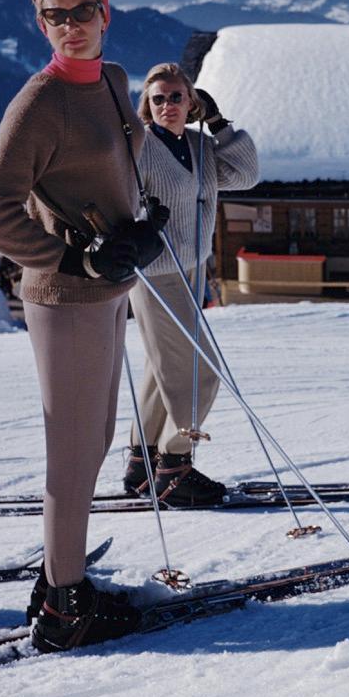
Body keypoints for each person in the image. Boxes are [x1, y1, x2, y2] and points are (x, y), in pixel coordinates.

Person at [0, 0, 167, 652]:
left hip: (109, 287)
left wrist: (136, 225)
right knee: (73, 445)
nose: (68, 27)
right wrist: (70, 256)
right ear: (39, 20)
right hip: (64, 295)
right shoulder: (38, 101)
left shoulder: (115, 83)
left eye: (80, 11)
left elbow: (115, 168)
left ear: (105, 12)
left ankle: (63, 574)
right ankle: (65, 607)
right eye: (53, 15)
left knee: (95, 437)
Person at [124, 62, 258, 506]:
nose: (167, 106)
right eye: (158, 98)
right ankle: (174, 467)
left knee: (162, 371)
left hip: (190, 271)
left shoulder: (200, 146)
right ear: (146, 104)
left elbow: (245, 175)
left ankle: (143, 465)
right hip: (156, 272)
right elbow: (113, 195)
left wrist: (220, 126)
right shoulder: (138, 148)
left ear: (191, 100)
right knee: (201, 373)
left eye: (176, 97)